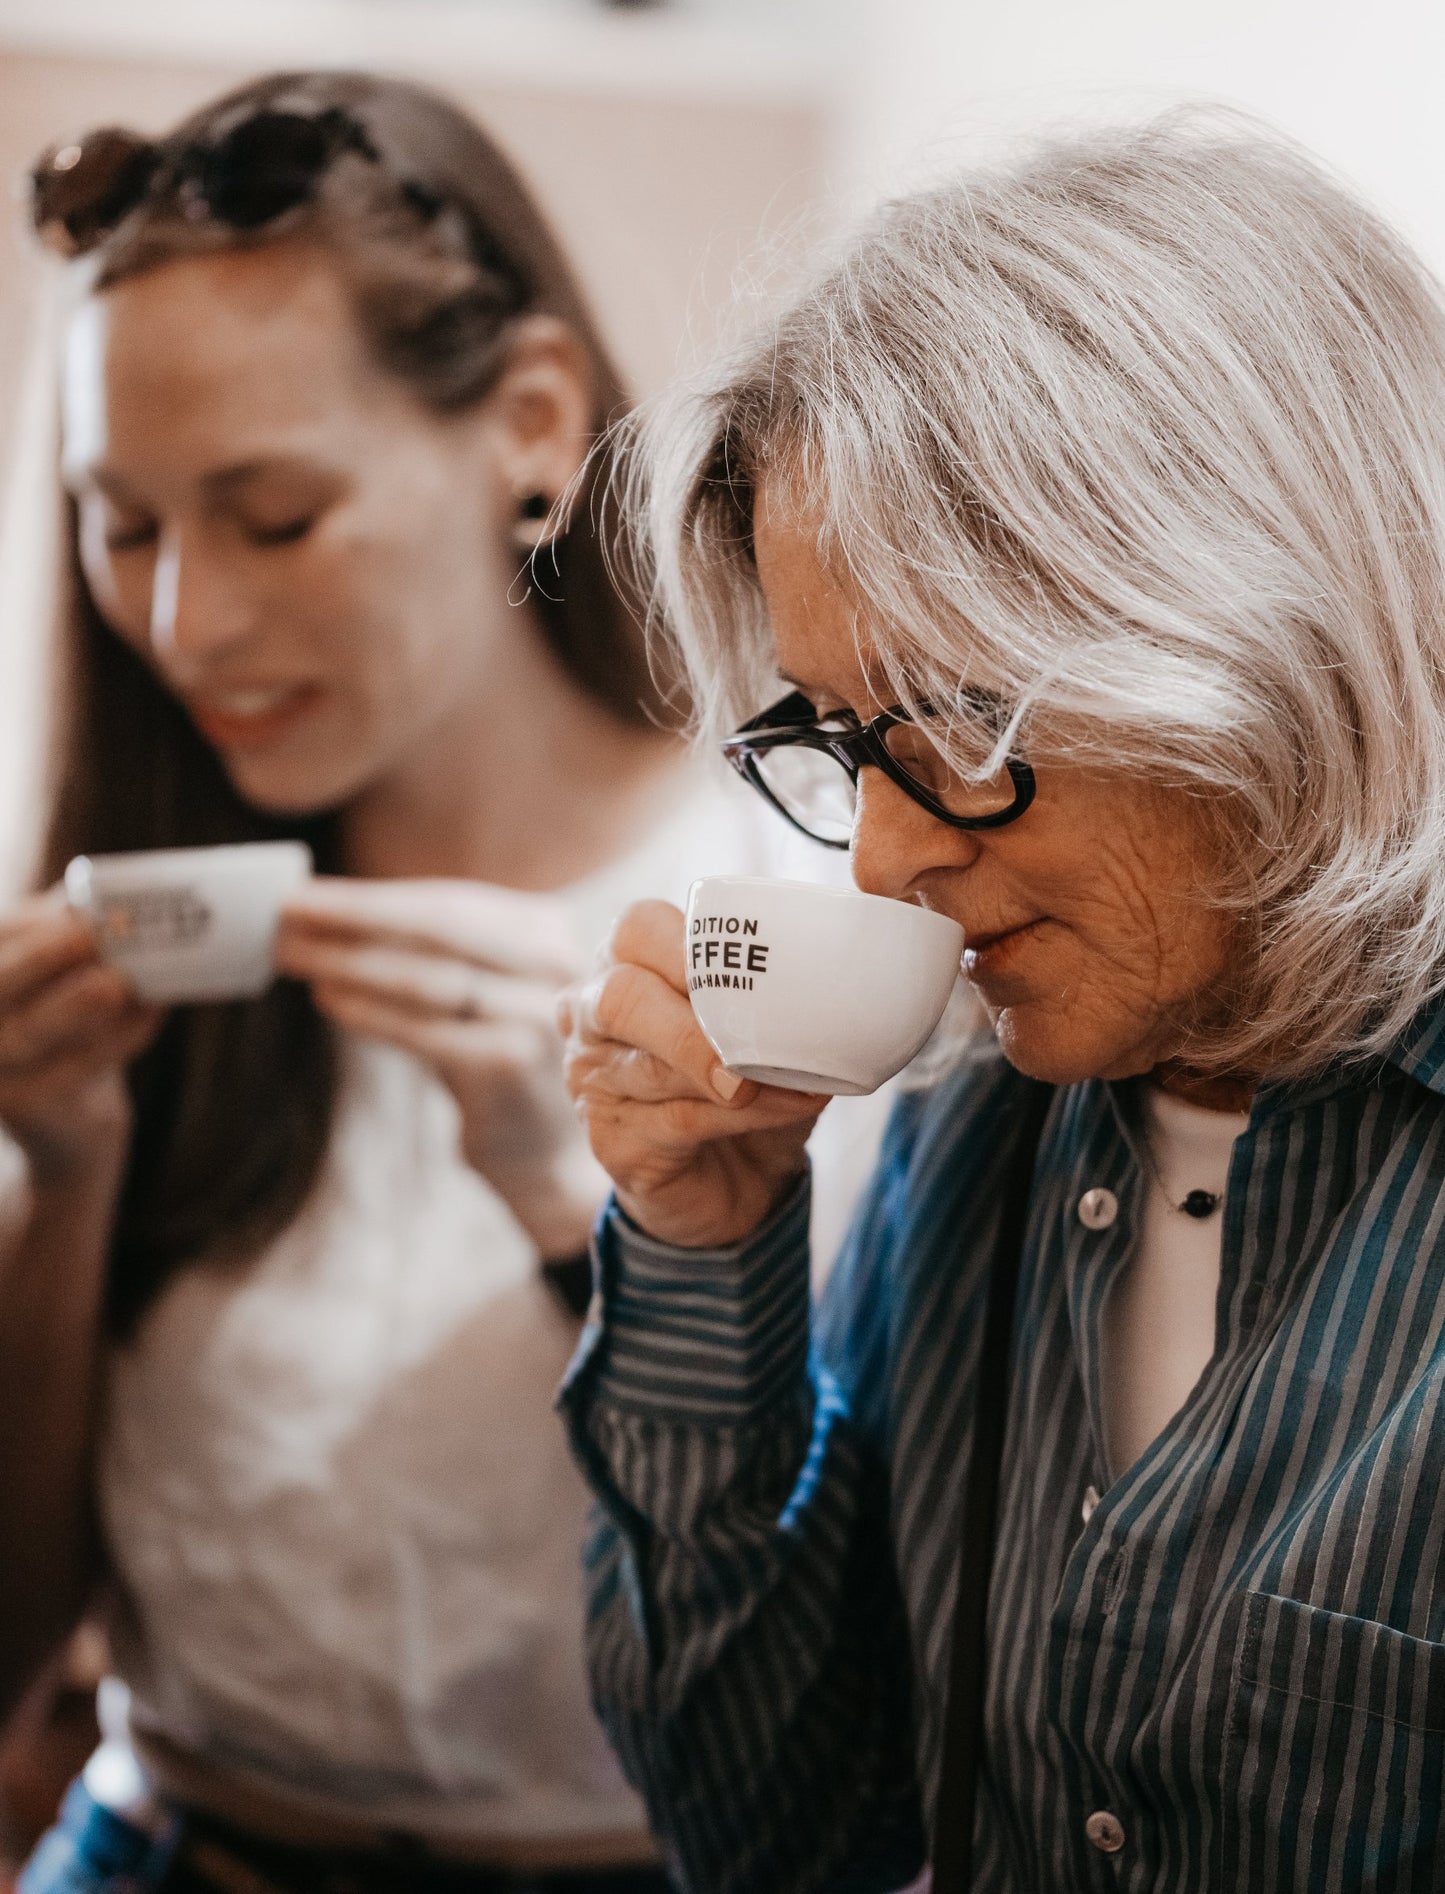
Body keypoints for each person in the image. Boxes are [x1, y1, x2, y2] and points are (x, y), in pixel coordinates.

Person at [0, 69, 878, 1894]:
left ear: (532, 425)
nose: (182, 629)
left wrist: (585, 1206)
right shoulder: (134, 930)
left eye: (272, 514)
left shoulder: (805, 904)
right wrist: (61, 1178)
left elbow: (860, 1628)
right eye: (125, 523)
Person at [560, 113, 1445, 1893]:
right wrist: (699, 1245)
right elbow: (780, 1830)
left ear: (1267, 645)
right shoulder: (987, 1120)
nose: (882, 859)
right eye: (836, 735)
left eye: (955, 721)